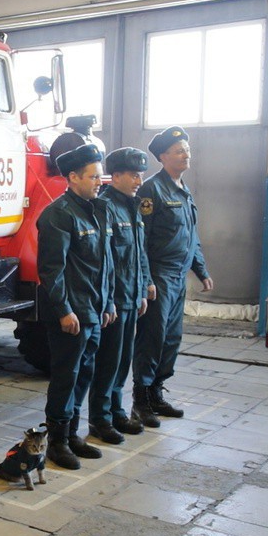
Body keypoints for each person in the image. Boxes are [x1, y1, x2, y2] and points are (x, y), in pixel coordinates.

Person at [36, 143, 114, 469]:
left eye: (101, 175)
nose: (100, 181)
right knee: (66, 375)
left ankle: (71, 433)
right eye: (93, 176)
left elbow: (106, 263)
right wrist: (64, 310)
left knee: (85, 373)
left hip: (94, 310)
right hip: (72, 314)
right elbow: (51, 271)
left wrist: (108, 301)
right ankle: (56, 440)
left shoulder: (98, 210)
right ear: (72, 177)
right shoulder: (58, 215)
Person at [132, 126, 213, 428]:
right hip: (160, 275)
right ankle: (141, 401)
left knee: (171, 339)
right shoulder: (151, 190)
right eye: (179, 151)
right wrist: (146, 280)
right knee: (152, 338)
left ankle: (156, 394)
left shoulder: (183, 188)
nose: (186, 154)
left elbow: (191, 236)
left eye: (187, 150)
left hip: (179, 275)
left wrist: (201, 270)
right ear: (164, 156)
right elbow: (140, 240)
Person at [89, 147, 152, 445]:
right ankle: (100, 419)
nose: (139, 180)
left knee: (123, 360)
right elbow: (105, 262)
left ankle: (116, 411)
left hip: (131, 298)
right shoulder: (105, 208)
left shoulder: (132, 206)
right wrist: (109, 301)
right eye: (134, 175)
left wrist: (142, 291)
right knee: (108, 363)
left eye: (141, 175)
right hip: (113, 301)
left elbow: (139, 254)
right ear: (115, 177)